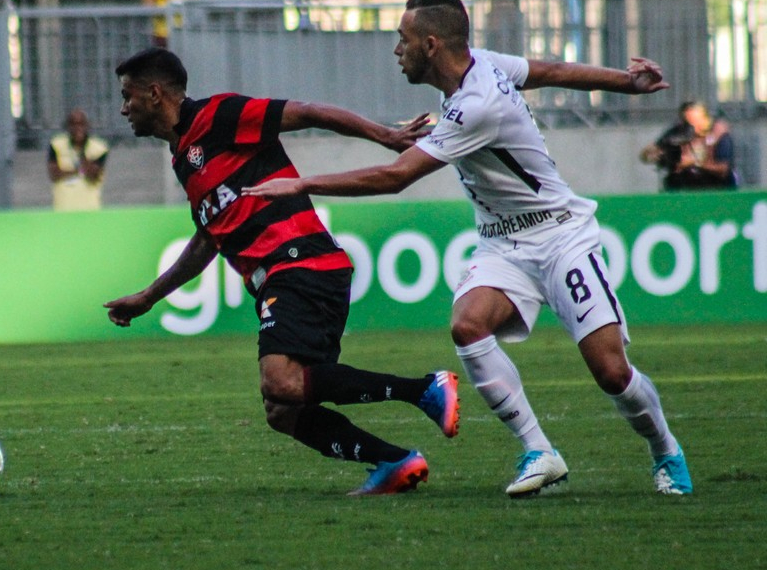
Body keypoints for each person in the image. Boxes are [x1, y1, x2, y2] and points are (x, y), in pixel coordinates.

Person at [244, 0, 693, 497]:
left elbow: (396, 178)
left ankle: (666, 450)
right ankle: (539, 452)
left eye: (403, 39)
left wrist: (301, 184)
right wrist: (624, 81)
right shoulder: (483, 64)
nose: (397, 50)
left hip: (560, 235)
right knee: (467, 324)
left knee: (611, 373)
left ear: (430, 45)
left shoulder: (476, 104)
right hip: (502, 242)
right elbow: (554, 70)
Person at [104, 47, 460, 496]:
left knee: (281, 381)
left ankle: (424, 389)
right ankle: (392, 461)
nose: (123, 108)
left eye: (128, 96)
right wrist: (150, 296)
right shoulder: (183, 156)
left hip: (299, 262)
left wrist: (385, 137)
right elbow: (208, 238)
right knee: (282, 410)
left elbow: (309, 112)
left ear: (154, 94)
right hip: (288, 276)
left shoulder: (220, 115)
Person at [639, 101, 738, 191]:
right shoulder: (678, 132)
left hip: (715, 188)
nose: (694, 126)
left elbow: (723, 169)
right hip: (684, 186)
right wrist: (660, 154)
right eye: (689, 121)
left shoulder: (719, 135)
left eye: (697, 120)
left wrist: (694, 163)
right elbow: (647, 154)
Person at [47, 109, 109, 211]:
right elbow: (54, 174)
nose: (77, 128)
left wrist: (82, 149)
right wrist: (80, 170)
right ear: (67, 127)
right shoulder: (56, 144)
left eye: (81, 124)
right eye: (73, 124)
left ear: (87, 126)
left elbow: (93, 176)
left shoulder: (99, 147)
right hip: (63, 209)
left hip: (90, 209)